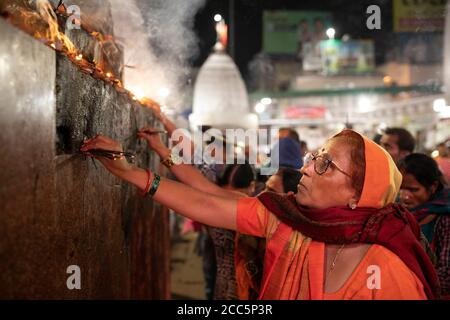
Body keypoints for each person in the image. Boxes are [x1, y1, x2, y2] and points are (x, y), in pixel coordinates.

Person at [80, 129, 438, 299]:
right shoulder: (288, 219)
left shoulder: (387, 271)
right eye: (313, 157)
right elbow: (207, 203)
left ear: (357, 196)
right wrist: (128, 172)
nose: (307, 169)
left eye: (325, 165)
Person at [398, 153, 450, 296]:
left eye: (413, 189)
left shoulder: (444, 218)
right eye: (400, 188)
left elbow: (446, 277)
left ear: (433, 187)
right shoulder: (395, 212)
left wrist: (404, 279)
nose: (404, 196)